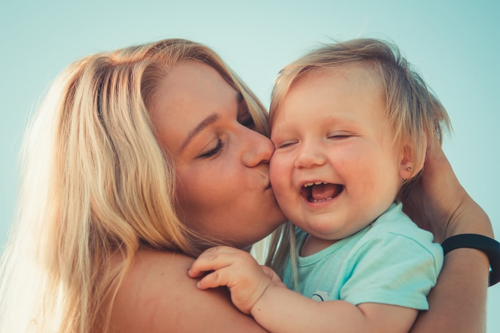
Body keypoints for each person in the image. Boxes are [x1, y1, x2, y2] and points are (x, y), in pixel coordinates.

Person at [0, 38, 493, 333]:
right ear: (136, 195)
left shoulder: (323, 251)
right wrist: (468, 234)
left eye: (245, 118)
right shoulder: (134, 280)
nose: (263, 147)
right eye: (212, 147)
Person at [188, 38, 452, 333]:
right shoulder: (293, 239)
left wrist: (263, 294)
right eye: (287, 143)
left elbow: (367, 328)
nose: (307, 157)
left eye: (338, 136)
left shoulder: (398, 244)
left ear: (406, 157)